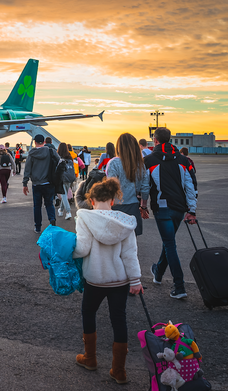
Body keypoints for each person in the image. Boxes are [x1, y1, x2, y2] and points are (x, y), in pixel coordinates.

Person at [73, 177, 143, 385]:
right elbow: (130, 254)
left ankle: (90, 358)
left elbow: (82, 249)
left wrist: (70, 252)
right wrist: (135, 280)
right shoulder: (125, 222)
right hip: (119, 280)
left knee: (89, 313)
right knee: (118, 319)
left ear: (92, 201)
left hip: (95, 279)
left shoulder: (85, 218)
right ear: (112, 201)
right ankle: (119, 370)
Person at [145, 127, 198, 300]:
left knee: (169, 245)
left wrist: (142, 205)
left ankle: (179, 286)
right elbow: (191, 186)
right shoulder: (184, 160)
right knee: (168, 243)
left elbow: (145, 186)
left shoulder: (149, 160)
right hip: (179, 209)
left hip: (162, 209)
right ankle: (158, 273)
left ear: (156, 140)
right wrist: (191, 210)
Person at [106, 133, 150, 236]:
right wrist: (143, 206)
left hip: (116, 207)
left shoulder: (113, 163)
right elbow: (145, 188)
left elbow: (110, 188)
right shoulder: (140, 164)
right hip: (133, 207)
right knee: (131, 246)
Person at [23, 134, 60, 232]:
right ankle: (52, 221)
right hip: (49, 183)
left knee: (37, 206)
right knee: (49, 204)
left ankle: (38, 227)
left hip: (36, 184)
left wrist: (25, 183)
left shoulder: (31, 154)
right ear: (44, 142)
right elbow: (60, 162)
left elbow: (27, 169)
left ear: (35, 142)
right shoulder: (51, 151)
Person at [56, 143, 75, 220]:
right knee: (65, 194)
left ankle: (68, 212)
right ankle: (60, 210)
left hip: (62, 178)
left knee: (63, 195)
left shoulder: (58, 157)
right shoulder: (70, 158)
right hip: (69, 178)